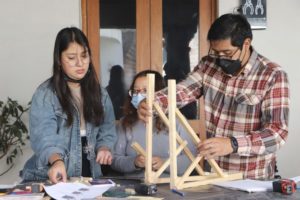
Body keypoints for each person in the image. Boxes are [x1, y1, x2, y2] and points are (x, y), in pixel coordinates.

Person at [137, 14, 289, 180]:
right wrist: (154, 101)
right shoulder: (209, 65)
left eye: (227, 53)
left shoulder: (272, 75)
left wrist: (233, 144)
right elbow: (183, 90)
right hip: (213, 175)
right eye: (216, 52)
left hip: (251, 178)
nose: (221, 59)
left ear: (246, 44)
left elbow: (277, 133)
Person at [21, 27, 117, 183]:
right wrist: (57, 162)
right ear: (59, 60)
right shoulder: (46, 94)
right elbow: (44, 136)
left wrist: (104, 147)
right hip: (53, 174)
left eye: (84, 56)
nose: (80, 63)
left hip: (91, 174)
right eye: (71, 57)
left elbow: (107, 129)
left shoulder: (99, 93)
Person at [111, 70, 197, 177]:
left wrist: (165, 164)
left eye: (145, 91)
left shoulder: (176, 121)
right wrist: (134, 162)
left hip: (169, 187)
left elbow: (192, 157)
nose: (139, 95)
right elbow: (114, 159)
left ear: (160, 93)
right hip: (134, 186)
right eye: (136, 91)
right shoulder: (125, 123)